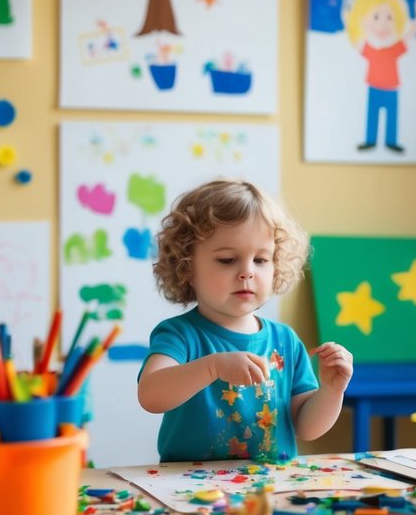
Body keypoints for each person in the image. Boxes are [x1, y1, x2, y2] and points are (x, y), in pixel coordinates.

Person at [138, 179, 353, 462]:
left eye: (261, 260)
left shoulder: (285, 340)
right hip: (191, 492)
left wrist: (332, 390)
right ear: (187, 266)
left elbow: (306, 427)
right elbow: (151, 395)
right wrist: (213, 366)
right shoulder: (180, 334)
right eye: (227, 259)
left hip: (269, 488)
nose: (247, 272)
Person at [342, 0, 416, 153]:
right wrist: (347, 14)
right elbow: (353, 35)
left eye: (389, 17)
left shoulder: (394, 48)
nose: (383, 23)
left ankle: (391, 141)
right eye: (376, 17)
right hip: (374, 87)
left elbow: (410, 34)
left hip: (391, 89)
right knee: (372, 116)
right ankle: (370, 140)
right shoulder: (369, 49)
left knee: (392, 117)